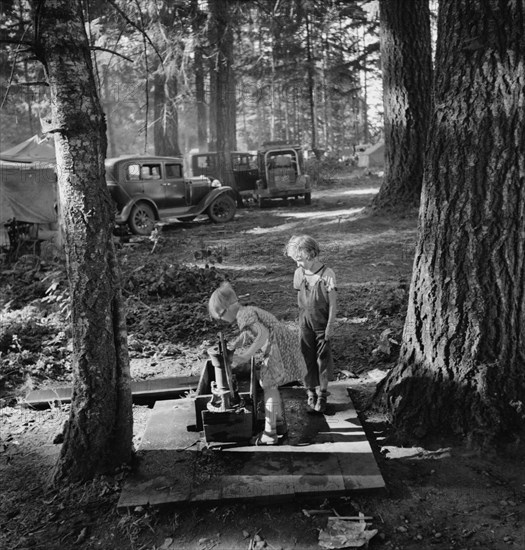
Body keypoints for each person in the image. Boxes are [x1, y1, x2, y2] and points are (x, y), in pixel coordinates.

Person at [208, 282, 306, 445]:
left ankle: (270, 433)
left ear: (228, 308)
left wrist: (246, 356)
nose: (222, 320)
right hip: (283, 342)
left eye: (221, 315)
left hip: (277, 346)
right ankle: (278, 421)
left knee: (268, 385)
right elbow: (249, 334)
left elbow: (262, 334)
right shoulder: (246, 311)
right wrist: (235, 345)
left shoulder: (243, 315)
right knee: (270, 384)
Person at [285, 235, 337, 413]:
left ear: (312, 255)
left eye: (300, 260)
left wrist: (330, 325)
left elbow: (333, 304)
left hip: (322, 324)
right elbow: (301, 298)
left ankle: (322, 394)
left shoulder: (327, 274)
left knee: (322, 359)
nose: (297, 264)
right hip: (305, 323)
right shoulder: (299, 273)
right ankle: (310, 392)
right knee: (306, 357)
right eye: (295, 261)